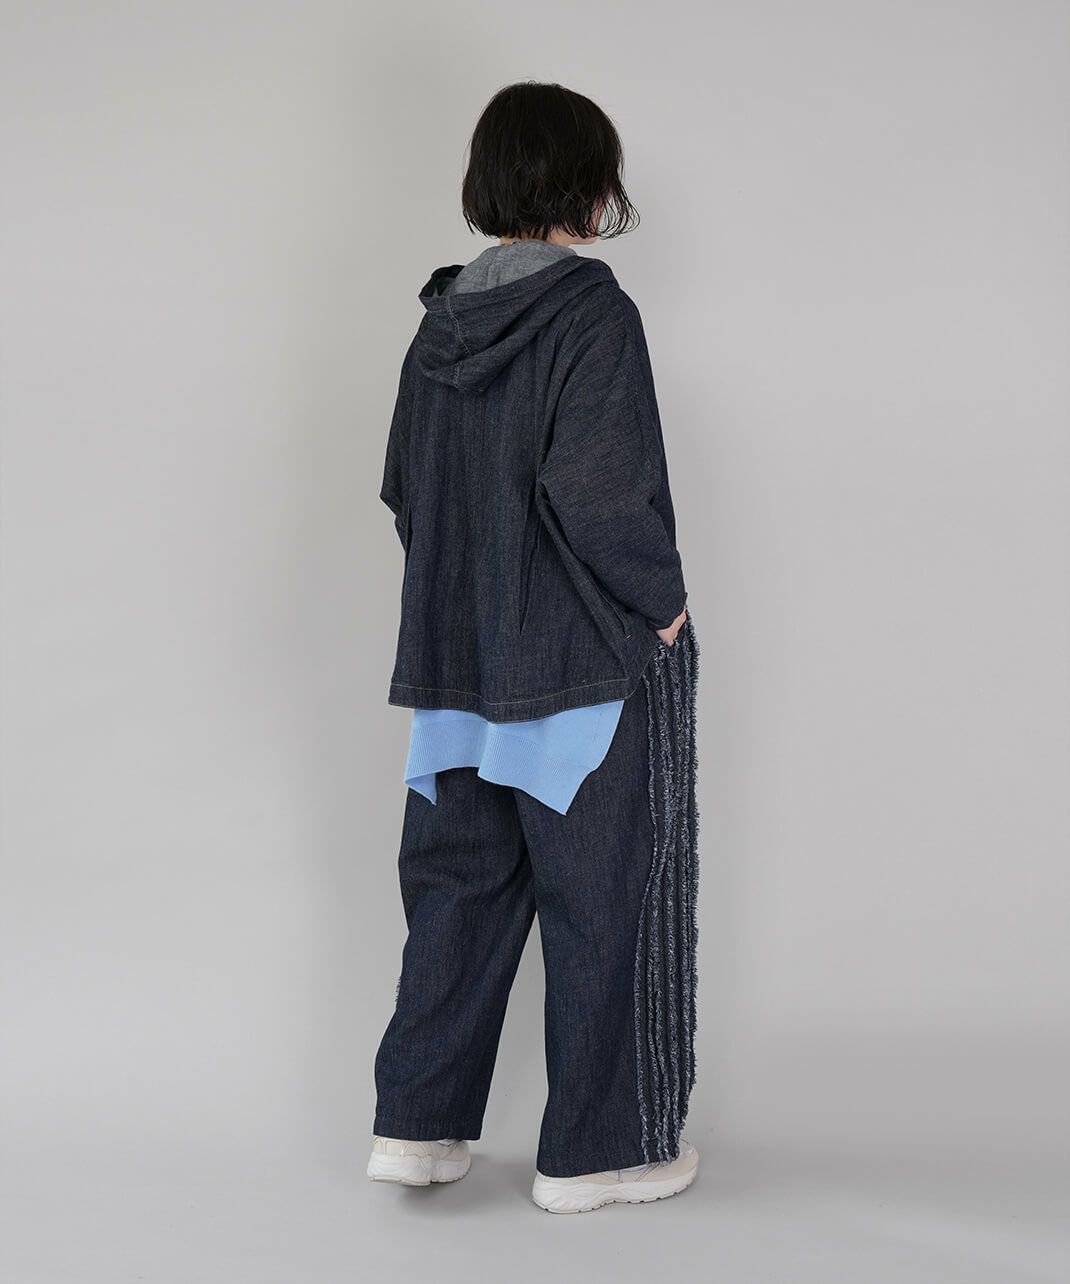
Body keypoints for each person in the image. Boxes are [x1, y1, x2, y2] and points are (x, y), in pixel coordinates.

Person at [367, 80, 701, 1215]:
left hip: (456, 671)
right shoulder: (592, 311)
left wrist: (465, 604)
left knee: (456, 893)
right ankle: (597, 1155)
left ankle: (416, 1129)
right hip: (580, 671)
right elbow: (597, 492)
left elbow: (406, 491)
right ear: (589, 185)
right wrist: (661, 604)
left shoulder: (438, 324)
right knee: (603, 901)